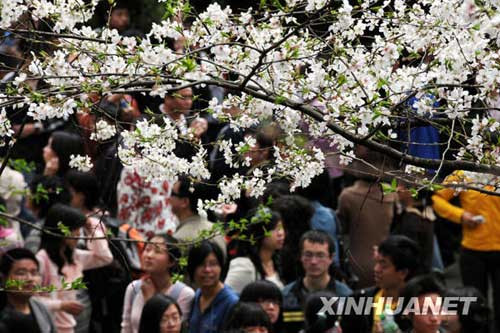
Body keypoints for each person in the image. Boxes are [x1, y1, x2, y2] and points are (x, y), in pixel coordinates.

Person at [432, 170, 500, 329]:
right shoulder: (463, 174)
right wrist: (461, 215)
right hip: (473, 250)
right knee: (473, 308)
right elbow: (436, 198)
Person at [36, 203, 113, 333]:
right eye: (75, 229)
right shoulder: (42, 260)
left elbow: (104, 257)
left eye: (80, 229)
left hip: (71, 328)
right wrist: (60, 305)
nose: (79, 234)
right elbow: (31, 299)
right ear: (61, 230)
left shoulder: (74, 257)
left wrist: (92, 227)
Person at [340, 235, 421, 332]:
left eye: (384, 265)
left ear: (403, 273)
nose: (376, 269)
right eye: (377, 262)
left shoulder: (418, 310)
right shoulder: (358, 300)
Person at [121, 234, 194, 333]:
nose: (149, 255)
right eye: (147, 250)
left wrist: (150, 301)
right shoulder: (134, 288)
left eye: (157, 251)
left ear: (171, 261)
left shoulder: (183, 294)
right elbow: (126, 328)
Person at [282, 230, 351, 333]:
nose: (313, 261)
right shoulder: (286, 295)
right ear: (300, 256)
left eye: (320, 255)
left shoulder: (346, 297)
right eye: (308, 255)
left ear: (331, 258)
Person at [225, 208, 285, 294]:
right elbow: (228, 299)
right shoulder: (244, 266)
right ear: (259, 233)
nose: (280, 233)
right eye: (274, 229)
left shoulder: (276, 261)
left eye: (281, 227)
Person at [0, 248, 56, 332]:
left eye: (34, 273)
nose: (30, 279)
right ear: (4, 278)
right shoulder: (3, 316)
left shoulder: (41, 309)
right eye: (21, 273)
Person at [187, 241, 238, 333]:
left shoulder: (231, 302)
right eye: (201, 264)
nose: (207, 270)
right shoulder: (198, 295)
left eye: (213, 264)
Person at [171, 176, 226, 258]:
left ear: (185, 202)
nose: (169, 197)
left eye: (172, 194)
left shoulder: (180, 239)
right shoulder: (215, 230)